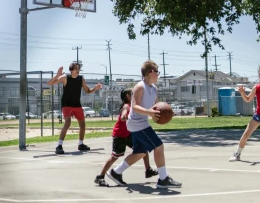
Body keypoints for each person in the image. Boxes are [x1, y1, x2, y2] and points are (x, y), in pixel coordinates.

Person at [107, 60, 182, 188]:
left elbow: (156, 107)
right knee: (158, 147)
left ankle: (116, 172)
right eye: (157, 72)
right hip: (137, 123)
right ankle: (163, 179)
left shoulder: (154, 89)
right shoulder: (140, 86)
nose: (158, 75)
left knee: (140, 152)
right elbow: (134, 106)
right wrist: (149, 112)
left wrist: (168, 113)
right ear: (151, 72)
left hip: (141, 122)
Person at [94, 88, 158, 186]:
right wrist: (124, 117)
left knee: (143, 149)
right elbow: (124, 113)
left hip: (129, 134)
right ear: (128, 96)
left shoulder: (134, 107)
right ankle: (100, 177)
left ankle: (148, 169)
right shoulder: (126, 106)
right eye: (133, 94)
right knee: (114, 157)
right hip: (120, 135)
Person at [48, 62, 102, 154]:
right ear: (71, 70)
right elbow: (50, 83)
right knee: (68, 122)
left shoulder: (81, 79)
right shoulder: (65, 78)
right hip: (66, 104)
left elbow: (88, 91)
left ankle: (81, 144)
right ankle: (59, 146)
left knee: (83, 124)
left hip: (77, 104)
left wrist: (95, 89)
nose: (78, 70)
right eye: (76, 68)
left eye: (78, 68)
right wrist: (57, 75)